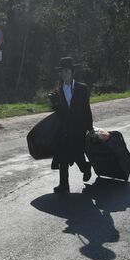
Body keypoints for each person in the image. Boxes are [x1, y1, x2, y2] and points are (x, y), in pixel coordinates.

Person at [48, 57, 93, 193]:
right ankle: (64, 185)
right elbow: (58, 112)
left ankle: (86, 168)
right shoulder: (58, 91)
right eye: (62, 71)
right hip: (64, 130)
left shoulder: (82, 88)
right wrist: (54, 103)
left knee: (78, 155)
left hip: (78, 129)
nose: (64, 74)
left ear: (72, 72)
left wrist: (90, 128)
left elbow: (86, 109)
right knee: (62, 157)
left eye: (67, 71)